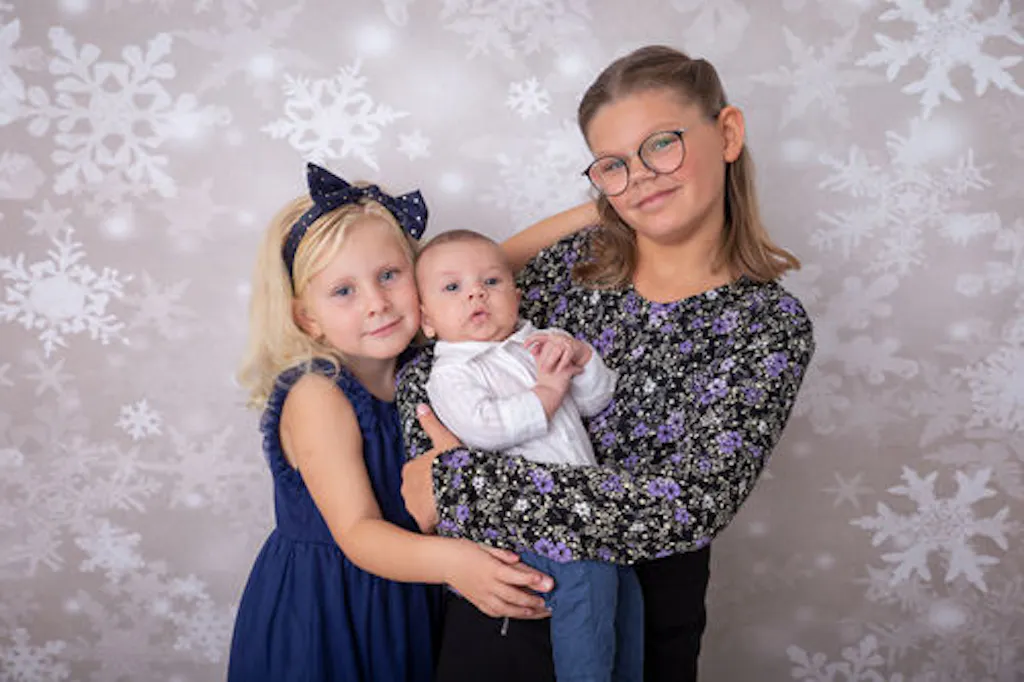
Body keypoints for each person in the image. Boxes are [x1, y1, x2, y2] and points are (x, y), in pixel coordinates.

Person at [396, 45, 816, 682]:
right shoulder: (576, 267)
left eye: (662, 144)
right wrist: (453, 540)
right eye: (613, 165)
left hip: (642, 619)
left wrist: (458, 484)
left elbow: (687, 503)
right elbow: (433, 354)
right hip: (502, 588)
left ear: (728, 133)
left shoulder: (766, 323)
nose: (641, 177)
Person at [226, 163, 590, 682]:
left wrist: (602, 209)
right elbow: (358, 533)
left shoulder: (429, 363)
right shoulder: (317, 394)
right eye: (344, 291)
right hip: (332, 608)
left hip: (411, 595)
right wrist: (458, 562)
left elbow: (498, 259)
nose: (377, 303)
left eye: (389, 276)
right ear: (307, 317)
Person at [415, 228, 643, 682]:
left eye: (491, 281)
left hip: (587, 511)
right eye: (453, 287)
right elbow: (485, 429)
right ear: (427, 320)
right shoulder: (452, 373)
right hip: (530, 521)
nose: (476, 293)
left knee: (627, 599)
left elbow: (595, 400)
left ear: (516, 296)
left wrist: (582, 358)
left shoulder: (541, 342)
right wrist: (547, 392)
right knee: (586, 593)